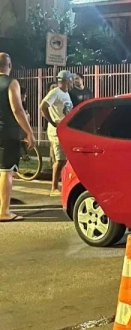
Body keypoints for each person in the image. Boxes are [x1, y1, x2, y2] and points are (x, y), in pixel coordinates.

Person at [0, 53, 35, 222]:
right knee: (6, 171)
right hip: (7, 132)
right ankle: (4, 211)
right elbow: (17, 110)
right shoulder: (11, 83)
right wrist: (29, 132)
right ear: (10, 65)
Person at [40, 70, 73, 196]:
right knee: (60, 160)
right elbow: (43, 107)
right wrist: (53, 123)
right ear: (65, 80)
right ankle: (54, 187)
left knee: (65, 160)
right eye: (70, 79)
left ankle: (62, 185)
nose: (72, 82)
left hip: (65, 129)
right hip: (56, 131)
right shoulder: (55, 92)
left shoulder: (66, 93)